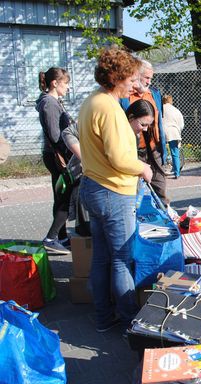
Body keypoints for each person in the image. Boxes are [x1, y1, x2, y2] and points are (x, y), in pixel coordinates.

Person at [78, 46, 153, 333]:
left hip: (94, 187)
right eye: (132, 79)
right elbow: (119, 158)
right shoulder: (109, 108)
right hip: (113, 191)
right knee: (122, 260)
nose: (135, 85)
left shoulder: (92, 101)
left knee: (101, 258)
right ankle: (129, 320)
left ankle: (102, 317)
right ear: (118, 77)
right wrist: (142, 168)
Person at [36, 67, 74, 254]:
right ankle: (51, 238)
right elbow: (55, 134)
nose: (68, 87)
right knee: (65, 196)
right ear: (55, 83)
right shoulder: (49, 103)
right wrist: (67, 153)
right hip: (56, 156)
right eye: (65, 83)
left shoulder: (53, 101)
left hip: (55, 154)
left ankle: (62, 237)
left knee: (60, 194)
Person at [120, 60, 168, 204]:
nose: (149, 81)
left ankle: (164, 218)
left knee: (160, 187)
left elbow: (159, 121)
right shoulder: (125, 95)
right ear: (137, 75)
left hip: (154, 148)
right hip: (135, 150)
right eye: (146, 77)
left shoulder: (154, 94)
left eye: (151, 78)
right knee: (137, 191)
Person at [162, 94, 185, 178]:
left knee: (162, 151)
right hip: (174, 132)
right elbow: (181, 124)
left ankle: (162, 171)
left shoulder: (160, 109)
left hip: (163, 131)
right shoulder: (176, 110)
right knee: (175, 152)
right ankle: (177, 172)